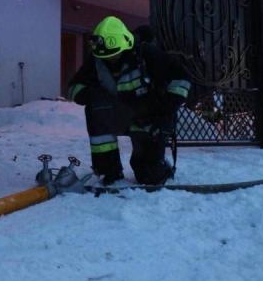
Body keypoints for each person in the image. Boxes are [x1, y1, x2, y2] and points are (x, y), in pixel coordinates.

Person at [67, 16, 191, 185]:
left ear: (125, 45)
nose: (110, 60)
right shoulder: (97, 59)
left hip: (149, 118)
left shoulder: (146, 54)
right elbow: (74, 87)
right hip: (118, 116)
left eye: (114, 55)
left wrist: (165, 109)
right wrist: (94, 95)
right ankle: (108, 171)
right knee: (97, 108)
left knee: (149, 177)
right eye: (106, 57)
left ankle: (157, 167)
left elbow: (181, 78)